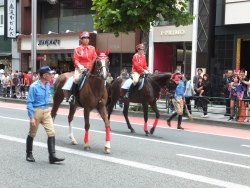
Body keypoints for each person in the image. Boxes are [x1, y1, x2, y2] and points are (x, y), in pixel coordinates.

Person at [26, 66, 65, 164]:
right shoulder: (34, 87)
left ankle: (52, 156)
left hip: (46, 111)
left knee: (51, 132)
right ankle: (29, 154)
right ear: (44, 75)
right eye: (50, 74)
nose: (51, 75)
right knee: (32, 133)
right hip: (36, 111)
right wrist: (31, 117)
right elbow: (29, 102)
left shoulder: (48, 85)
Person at [68, 31, 97, 104]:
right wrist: (79, 65)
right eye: (85, 38)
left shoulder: (92, 48)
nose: (87, 39)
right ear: (81, 40)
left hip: (90, 68)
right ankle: (73, 96)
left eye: (88, 38)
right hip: (80, 68)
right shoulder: (77, 49)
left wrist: (93, 66)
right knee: (77, 79)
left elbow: (94, 58)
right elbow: (75, 59)